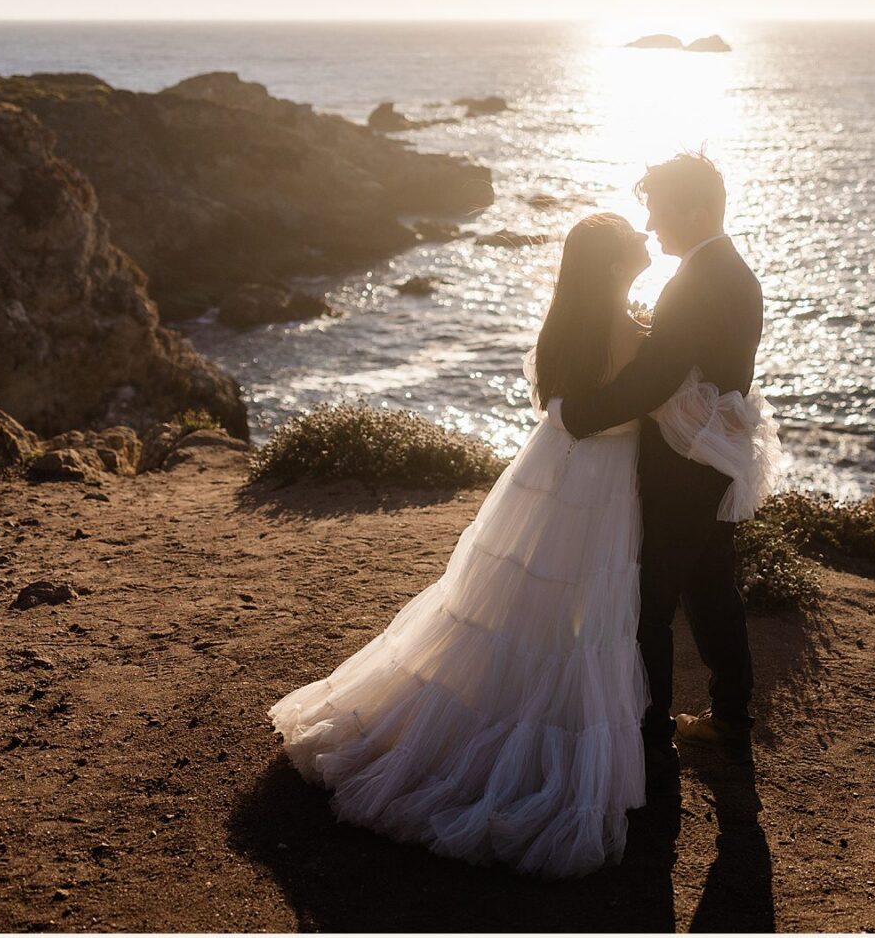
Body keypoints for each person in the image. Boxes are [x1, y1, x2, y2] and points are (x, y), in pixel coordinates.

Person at [267, 210, 780, 879]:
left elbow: (578, 392)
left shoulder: (573, 317)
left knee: (540, 600)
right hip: (605, 481)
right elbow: (653, 394)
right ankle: (638, 742)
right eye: (633, 236)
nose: (645, 235)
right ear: (613, 263)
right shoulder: (631, 330)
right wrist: (730, 429)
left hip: (562, 469)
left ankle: (580, 719)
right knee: (607, 610)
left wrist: (574, 415)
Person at [560, 152, 765, 781]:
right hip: (715, 454)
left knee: (651, 601)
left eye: (659, 210)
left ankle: (651, 737)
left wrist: (579, 417)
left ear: (696, 212)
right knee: (712, 588)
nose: (650, 224)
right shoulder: (734, 271)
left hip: (683, 464)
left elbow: (654, 379)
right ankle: (730, 720)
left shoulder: (694, 284)